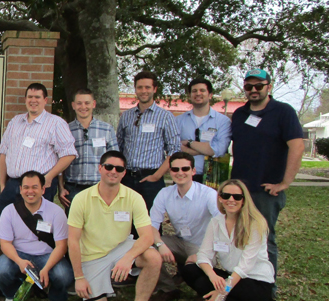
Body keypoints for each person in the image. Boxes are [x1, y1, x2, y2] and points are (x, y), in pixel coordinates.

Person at [230, 69, 303, 297]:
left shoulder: (283, 112)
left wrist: (285, 182)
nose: (253, 90)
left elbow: (297, 146)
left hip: (265, 191)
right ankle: (240, 284)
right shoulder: (240, 114)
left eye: (258, 86)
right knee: (238, 236)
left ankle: (266, 289)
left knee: (264, 239)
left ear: (268, 87)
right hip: (240, 190)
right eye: (248, 86)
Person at [68, 150, 162, 301]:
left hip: (121, 248)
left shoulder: (134, 197)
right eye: (109, 167)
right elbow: (73, 240)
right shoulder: (81, 198)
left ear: (124, 173)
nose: (113, 171)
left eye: (119, 169)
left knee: (153, 258)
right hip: (92, 257)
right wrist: (79, 277)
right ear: (100, 168)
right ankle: (104, 288)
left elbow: (147, 236)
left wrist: (128, 258)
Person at [181, 179, 275, 301]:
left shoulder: (256, 223)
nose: (231, 200)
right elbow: (204, 255)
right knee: (191, 271)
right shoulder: (216, 222)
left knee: (207, 284)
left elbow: (245, 265)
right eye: (226, 196)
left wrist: (222, 290)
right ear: (220, 198)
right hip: (233, 278)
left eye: (237, 197)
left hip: (256, 283)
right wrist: (213, 277)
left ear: (244, 200)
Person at [0, 82, 77, 225]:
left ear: (45, 100)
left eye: (37, 97)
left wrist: (49, 177)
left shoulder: (56, 123)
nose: (33, 101)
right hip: (13, 184)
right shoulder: (15, 122)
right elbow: (3, 152)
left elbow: (69, 154)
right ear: (25, 99)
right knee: (4, 226)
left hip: (39, 186)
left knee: (36, 229)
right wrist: (3, 184)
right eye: (30, 97)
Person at [0, 170, 73, 301]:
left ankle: (56, 298)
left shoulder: (56, 212)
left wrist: (46, 268)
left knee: (64, 275)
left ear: (43, 189)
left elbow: (61, 246)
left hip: (47, 255)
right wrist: (19, 261)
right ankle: (13, 293)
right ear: (21, 189)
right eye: (26, 187)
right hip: (19, 254)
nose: (30, 191)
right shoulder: (9, 211)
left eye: (35, 187)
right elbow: (5, 244)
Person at [148, 152, 219, 301]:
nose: (180, 173)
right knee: (147, 248)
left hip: (203, 245)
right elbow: (152, 225)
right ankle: (168, 288)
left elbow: (222, 224)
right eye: (175, 169)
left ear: (193, 171)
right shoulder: (165, 193)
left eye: (185, 169)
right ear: (170, 171)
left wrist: (205, 252)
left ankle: (204, 291)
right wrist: (160, 245)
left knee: (196, 266)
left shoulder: (208, 194)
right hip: (180, 242)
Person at [117, 71, 181, 212]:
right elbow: (119, 147)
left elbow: (174, 150)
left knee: (151, 221)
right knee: (124, 220)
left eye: (147, 87)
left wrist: (157, 176)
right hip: (127, 178)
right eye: (140, 87)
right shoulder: (126, 116)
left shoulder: (166, 117)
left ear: (154, 89)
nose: (143, 91)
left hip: (152, 179)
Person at [59, 89, 119, 216]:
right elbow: (60, 162)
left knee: (100, 228)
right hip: (73, 188)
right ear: (73, 105)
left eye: (87, 103)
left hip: (100, 187)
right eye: (79, 103)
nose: (83, 107)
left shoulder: (106, 129)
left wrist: (113, 186)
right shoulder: (65, 129)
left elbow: (115, 160)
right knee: (75, 229)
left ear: (94, 104)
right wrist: (61, 187)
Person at [175, 78, 232, 183]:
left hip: (212, 178)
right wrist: (205, 149)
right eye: (194, 91)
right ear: (189, 95)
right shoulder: (178, 121)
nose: (198, 93)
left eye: (202, 90)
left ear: (210, 95)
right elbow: (174, 146)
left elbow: (218, 150)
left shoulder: (223, 121)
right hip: (183, 177)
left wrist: (189, 143)